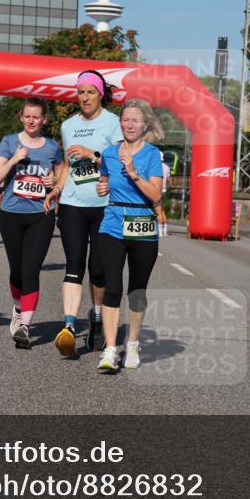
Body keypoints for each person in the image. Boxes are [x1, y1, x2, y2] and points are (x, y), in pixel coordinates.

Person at [45, 70, 124, 358]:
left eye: (91, 92)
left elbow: (118, 162)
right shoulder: (68, 125)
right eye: (81, 92)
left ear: (101, 93)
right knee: (74, 264)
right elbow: (66, 164)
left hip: (105, 206)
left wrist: (93, 155)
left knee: (99, 270)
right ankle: (68, 327)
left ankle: (97, 318)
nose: (85, 97)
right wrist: (56, 189)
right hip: (73, 204)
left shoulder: (113, 123)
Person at [94, 99, 164, 372]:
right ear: (120, 123)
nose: (130, 124)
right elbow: (104, 181)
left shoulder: (151, 154)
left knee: (137, 290)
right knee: (112, 287)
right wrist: (103, 187)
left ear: (144, 124)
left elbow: (156, 194)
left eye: (135, 120)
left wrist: (133, 172)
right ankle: (111, 349)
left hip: (143, 224)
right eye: (126, 120)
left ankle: (132, 342)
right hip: (112, 224)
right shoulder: (109, 154)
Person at [0, 97, 61, 349]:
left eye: (36, 117)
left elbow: (61, 173)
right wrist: (13, 160)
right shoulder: (9, 142)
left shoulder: (52, 147)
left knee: (32, 269)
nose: (32, 120)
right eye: (27, 116)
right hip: (11, 214)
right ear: (21, 117)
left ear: (44, 119)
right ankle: (18, 308)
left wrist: (55, 185)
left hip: (41, 215)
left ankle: (24, 327)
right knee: (17, 270)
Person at [156, 150, 170, 237]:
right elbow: (168, 180)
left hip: (157, 190)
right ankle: (165, 230)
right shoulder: (167, 167)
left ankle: (160, 231)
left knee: (158, 210)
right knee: (162, 209)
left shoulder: (156, 166)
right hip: (164, 190)